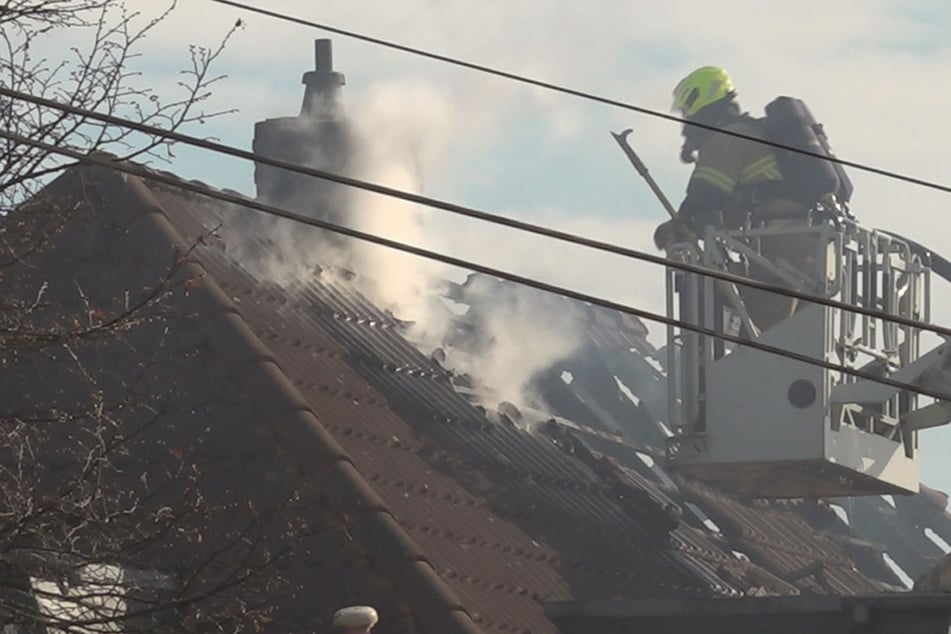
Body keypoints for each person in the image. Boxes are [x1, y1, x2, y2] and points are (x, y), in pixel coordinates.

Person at [656, 66, 817, 333]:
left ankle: (708, 351)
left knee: (765, 344)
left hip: (782, 250)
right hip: (808, 249)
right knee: (791, 340)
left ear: (698, 101)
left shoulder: (727, 139)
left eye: (686, 112)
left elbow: (703, 197)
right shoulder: (756, 131)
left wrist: (673, 229)